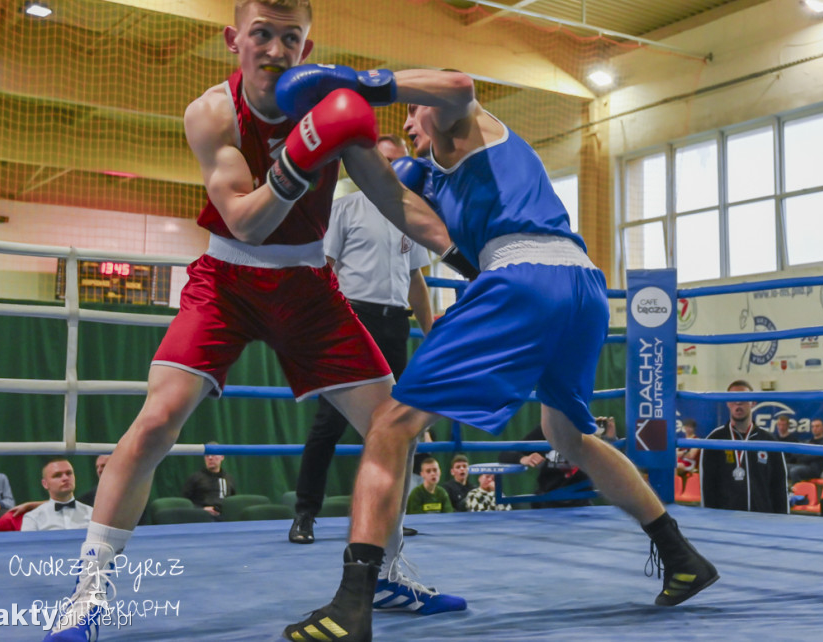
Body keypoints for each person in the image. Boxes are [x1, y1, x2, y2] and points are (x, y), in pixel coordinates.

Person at [42, 0, 464, 642]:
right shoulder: (211, 112)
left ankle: (385, 572)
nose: (274, 49)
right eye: (261, 33)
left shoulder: (335, 104)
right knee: (157, 420)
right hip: (227, 281)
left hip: (308, 288)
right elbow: (245, 219)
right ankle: (90, 587)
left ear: (308, 46)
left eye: (289, 37)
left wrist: (463, 256)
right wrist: (302, 151)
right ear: (234, 38)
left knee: (393, 424)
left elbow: (389, 193)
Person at [284, 67, 718, 642]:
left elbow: (458, 85)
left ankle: (352, 603)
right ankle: (681, 555)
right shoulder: (428, 178)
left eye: (410, 113)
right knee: (567, 436)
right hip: (583, 286)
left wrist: (363, 84)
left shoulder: (462, 121)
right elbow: (393, 198)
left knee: (391, 424)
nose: (408, 123)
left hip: (524, 277)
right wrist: (331, 129)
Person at [289, 133, 434, 544]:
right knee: (329, 423)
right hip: (352, 319)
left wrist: (432, 332)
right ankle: (305, 514)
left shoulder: (409, 215)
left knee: (399, 423)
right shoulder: (344, 209)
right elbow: (325, 268)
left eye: (400, 162)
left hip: (394, 324)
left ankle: (390, 514)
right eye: (386, 160)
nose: (394, 169)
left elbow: (415, 280)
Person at [700, 380, 788, 514]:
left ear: (753, 402)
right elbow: (708, 488)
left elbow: (779, 488)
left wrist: (783, 523)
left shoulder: (769, 441)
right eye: (733, 399)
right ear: (727, 403)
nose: (738, 403)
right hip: (726, 523)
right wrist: (710, 522)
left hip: (763, 521)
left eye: (743, 398)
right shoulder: (714, 440)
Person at [498, 417, 617, 509]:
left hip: (581, 502)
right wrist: (523, 458)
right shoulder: (545, 430)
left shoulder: (590, 430)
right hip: (548, 502)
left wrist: (610, 440)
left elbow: (613, 466)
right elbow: (505, 454)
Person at [22, 459, 93, 532]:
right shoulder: (33, 518)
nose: (65, 478)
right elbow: (27, 543)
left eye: (69, 473)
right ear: (45, 484)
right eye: (57, 475)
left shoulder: (93, 514)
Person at [181, 447, 237, 518]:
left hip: (225, 519)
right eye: (207, 455)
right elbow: (185, 503)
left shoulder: (229, 479)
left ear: (222, 457)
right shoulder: (195, 478)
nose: (210, 458)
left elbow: (232, 501)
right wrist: (202, 509)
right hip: (202, 518)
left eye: (213, 455)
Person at [787, 417, 823, 483]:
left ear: (822, 428)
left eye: (817, 426)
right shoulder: (808, 441)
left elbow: (814, 455)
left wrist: (802, 456)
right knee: (784, 467)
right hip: (803, 466)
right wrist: (805, 456)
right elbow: (795, 452)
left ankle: (798, 491)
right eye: (813, 426)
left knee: (794, 471)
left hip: (815, 469)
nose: (815, 428)